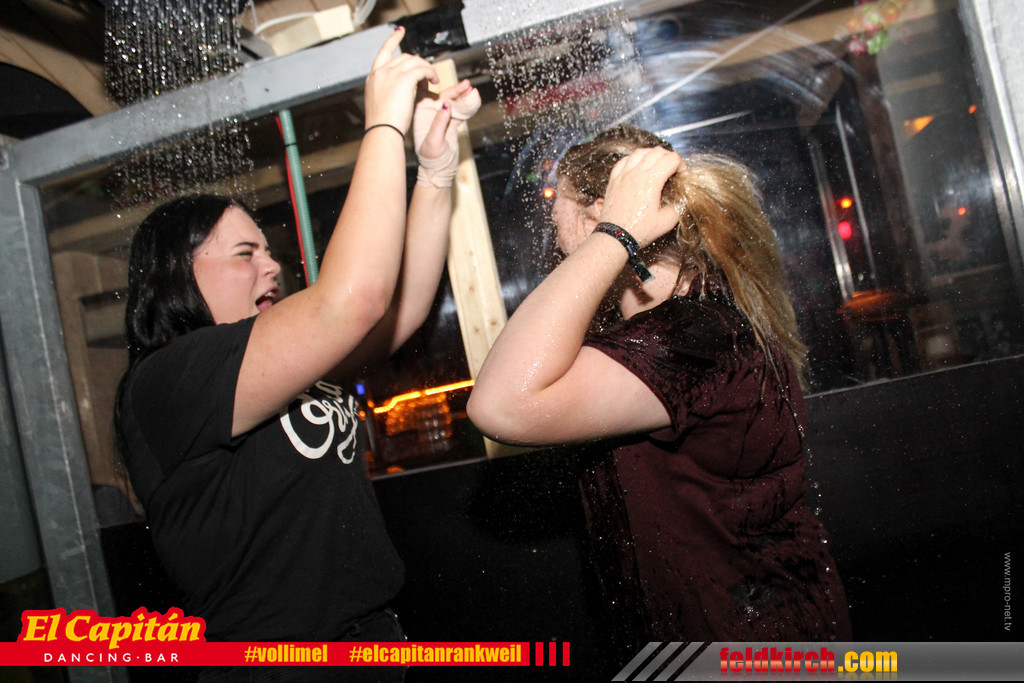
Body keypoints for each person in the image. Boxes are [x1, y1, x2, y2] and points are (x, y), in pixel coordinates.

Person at [114, 28, 479, 678]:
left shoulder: (278, 363)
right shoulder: (167, 379)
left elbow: (399, 313)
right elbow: (353, 301)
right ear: (177, 275)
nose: (272, 266)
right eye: (245, 253)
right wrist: (382, 126)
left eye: (268, 250)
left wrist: (435, 170)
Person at [468, 126, 852, 647]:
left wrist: (614, 234)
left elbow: (501, 405)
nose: (553, 224)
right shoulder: (683, 326)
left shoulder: (693, 337)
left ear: (601, 212)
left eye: (560, 205)